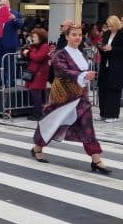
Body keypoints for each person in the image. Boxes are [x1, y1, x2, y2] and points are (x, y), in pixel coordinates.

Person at [31, 24, 111, 173]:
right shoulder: (60, 54)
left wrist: (86, 76)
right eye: (74, 35)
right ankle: (37, 147)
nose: (77, 38)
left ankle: (96, 159)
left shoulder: (82, 54)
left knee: (88, 128)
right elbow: (63, 70)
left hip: (81, 96)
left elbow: (82, 72)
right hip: (63, 96)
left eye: (79, 35)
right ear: (67, 37)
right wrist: (82, 75)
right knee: (53, 123)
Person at [97, 15, 123, 122]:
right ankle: (103, 114)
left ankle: (113, 115)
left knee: (113, 90)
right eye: (108, 26)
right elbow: (103, 44)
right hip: (105, 64)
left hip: (117, 66)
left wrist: (112, 48)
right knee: (103, 89)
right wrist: (101, 47)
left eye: (111, 26)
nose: (109, 28)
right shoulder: (107, 33)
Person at [21, 27, 51, 120]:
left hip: (39, 73)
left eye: (34, 36)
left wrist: (28, 53)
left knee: (36, 93)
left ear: (40, 37)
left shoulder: (45, 46)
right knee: (35, 93)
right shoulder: (34, 46)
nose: (33, 38)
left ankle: (39, 113)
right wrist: (24, 52)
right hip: (33, 72)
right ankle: (37, 112)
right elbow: (25, 53)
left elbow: (38, 57)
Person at [0, 0, 21, 87]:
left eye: (4, 4)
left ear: (8, 5)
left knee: (9, 62)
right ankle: (1, 80)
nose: (1, 6)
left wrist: (14, 19)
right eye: (0, 5)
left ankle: (10, 81)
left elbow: (20, 24)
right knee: (0, 62)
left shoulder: (15, 13)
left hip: (10, 43)